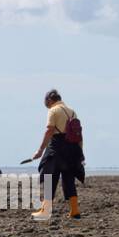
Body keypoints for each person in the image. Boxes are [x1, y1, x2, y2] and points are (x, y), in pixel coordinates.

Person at [30, 90, 85, 221]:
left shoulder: (53, 110)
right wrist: (81, 153)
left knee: (49, 177)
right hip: (72, 149)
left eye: (46, 104)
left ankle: (46, 210)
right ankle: (74, 210)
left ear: (49, 100)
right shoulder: (72, 111)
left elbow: (49, 130)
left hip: (56, 148)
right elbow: (78, 134)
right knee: (69, 179)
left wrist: (40, 150)